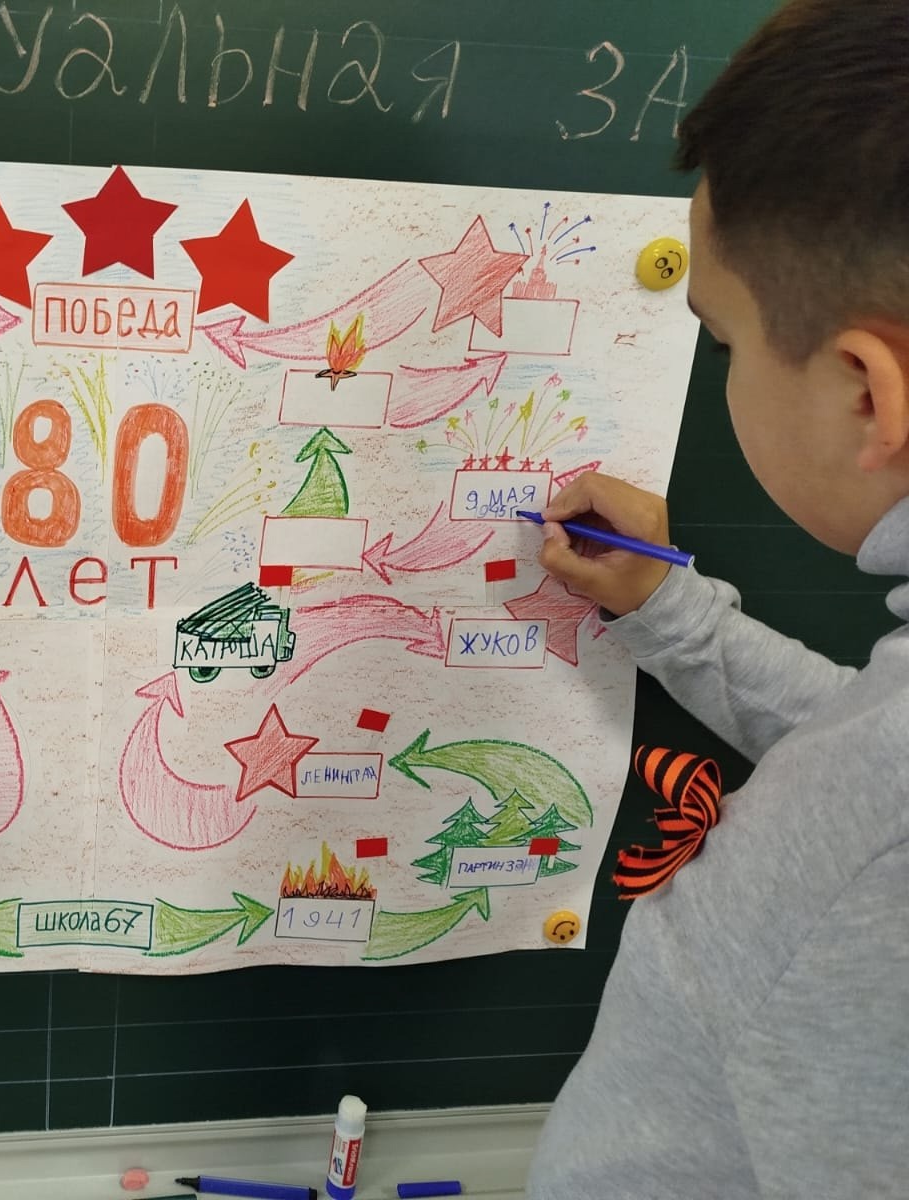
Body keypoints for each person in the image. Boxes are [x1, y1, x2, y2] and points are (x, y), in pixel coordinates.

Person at [526, 2, 909, 1195]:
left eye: (723, 339)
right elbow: (860, 746)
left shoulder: (868, 863)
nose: (721, 371)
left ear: (866, 393)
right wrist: (667, 609)